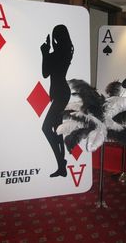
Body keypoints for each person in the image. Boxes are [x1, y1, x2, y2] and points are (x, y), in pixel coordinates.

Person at [40, 24, 74, 177]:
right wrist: (48, 52)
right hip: (61, 93)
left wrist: (44, 52)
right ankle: (62, 166)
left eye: (55, 36)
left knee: (47, 128)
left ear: (56, 38)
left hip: (60, 94)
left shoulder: (56, 54)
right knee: (57, 129)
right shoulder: (66, 53)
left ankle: (61, 162)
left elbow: (45, 73)